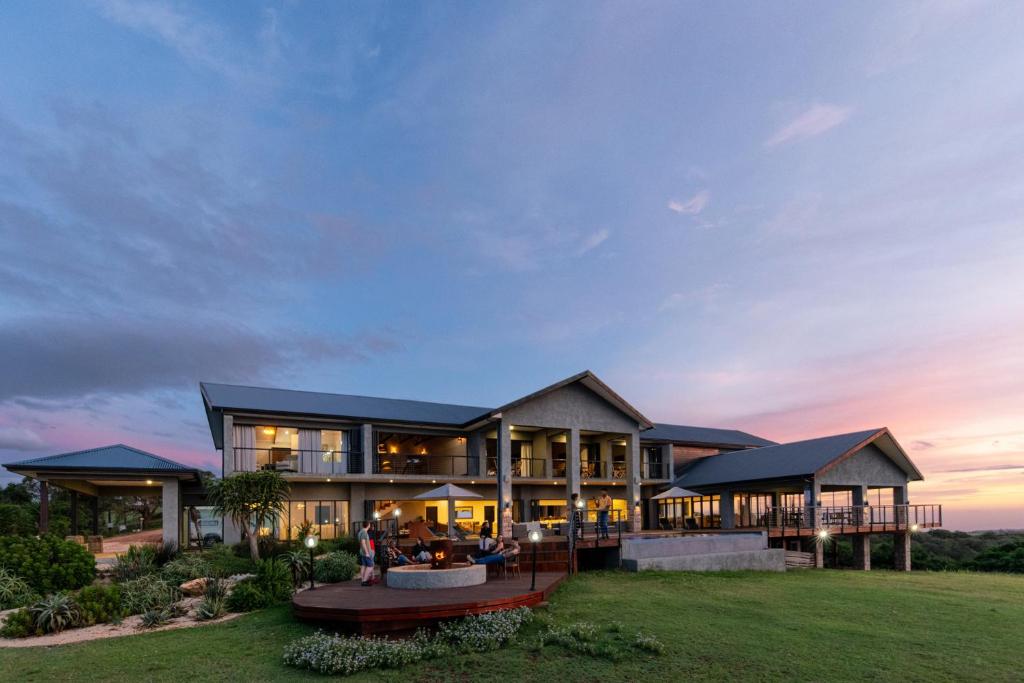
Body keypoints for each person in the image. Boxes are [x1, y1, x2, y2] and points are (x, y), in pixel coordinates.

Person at [357, 520, 376, 586]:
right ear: (368, 525)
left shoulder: (360, 532)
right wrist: (367, 552)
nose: (370, 525)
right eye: (369, 524)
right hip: (365, 552)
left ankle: (363, 580)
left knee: (364, 566)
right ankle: (364, 581)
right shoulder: (364, 532)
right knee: (370, 566)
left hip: (362, 552)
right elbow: (363, 543)